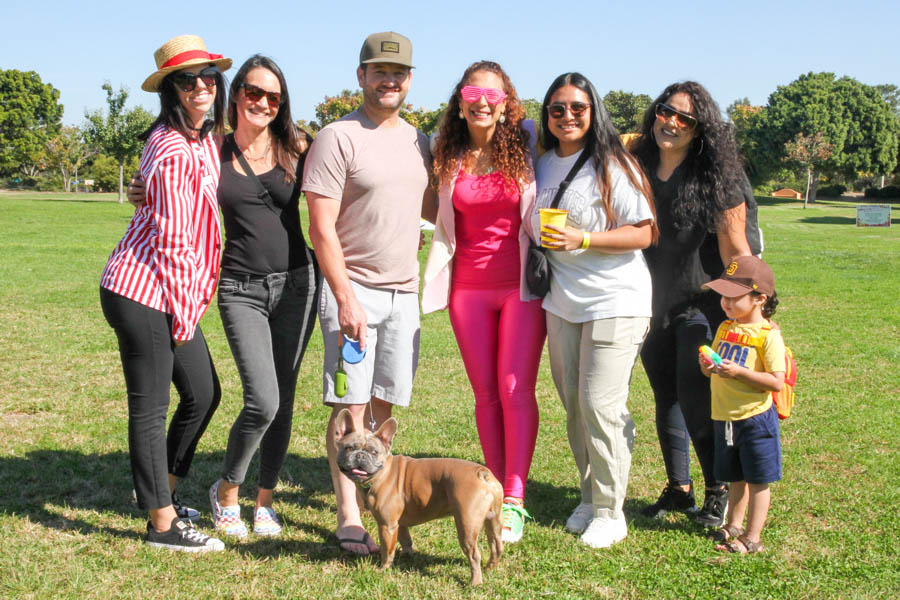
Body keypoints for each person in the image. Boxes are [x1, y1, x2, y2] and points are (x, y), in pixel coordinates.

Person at [302, 32, 434, 556]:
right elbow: (321, 227)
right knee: (350, 408)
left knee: (383, 406)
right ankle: (349, 515)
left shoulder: (419, 142)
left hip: (404, 293)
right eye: (379, 71)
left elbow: (428, 207)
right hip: (352, 290)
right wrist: (345, 299)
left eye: (399, 73)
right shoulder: (337, 137)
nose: (389, 80)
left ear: (410, 80)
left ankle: (379, 497)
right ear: (361, 75)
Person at [99, 34, 230, 552]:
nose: (201, 86)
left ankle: (162, 493)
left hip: (168, 292)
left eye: (208, 77)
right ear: (169, 89)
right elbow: (174, 242)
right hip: (145, 290)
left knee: (203, 393)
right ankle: (162, 524)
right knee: (151, 407)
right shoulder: (174, 147)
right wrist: (185, 312)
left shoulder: (199, 137)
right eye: (186, 80)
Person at [422, 61, 545, 544]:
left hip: (520, 287)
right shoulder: (445, 150)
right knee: (485, 394)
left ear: (506, 103)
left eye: (493, 95)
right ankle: (493, 486)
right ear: (460, 100)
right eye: (473, 94)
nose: (482, 103)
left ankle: (514, 498)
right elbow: (429, 205)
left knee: (515, 389)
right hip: (467, 291)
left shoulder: (528, 141)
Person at [535, 73, 658, 548]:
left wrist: (583, 238)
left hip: (616, 299)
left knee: (600, 405)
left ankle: (611, 511)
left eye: (577, 108)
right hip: (562, 301)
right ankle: (589, 496)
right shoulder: (544, 163)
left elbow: (644, 231)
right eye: (557, 108)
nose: (567, 116)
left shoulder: (612, 164)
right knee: (574, 404)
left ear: (593, 112)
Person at [630, 82, 752, 528]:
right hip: (649, 302)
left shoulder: (718, 177)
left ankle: (717, 489)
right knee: (665, 395)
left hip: (702, 303)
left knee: (694, 395)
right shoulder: (637, 164)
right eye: (667, 111)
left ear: (700, 129)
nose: (673, 123)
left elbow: (736, 248)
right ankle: (678, 489)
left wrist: (753, 301)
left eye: (686, 118)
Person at [206, 56, 318, 538]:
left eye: (274, 97)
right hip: (240, 289)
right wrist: (139, 188)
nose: (264, 103)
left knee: (284, 399)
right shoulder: (211, 149)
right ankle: (227, 490)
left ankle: (265, 500)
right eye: (254, 92)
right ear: (236, 94)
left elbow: (342, 194)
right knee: (262, 400)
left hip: (298, 284)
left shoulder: (298, 146)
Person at [699, 256, 784, 554]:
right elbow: (711, 372)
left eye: (734, 297)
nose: (726, 302)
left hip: (754, 418)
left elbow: (776, 382)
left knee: (758, 480)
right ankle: (734, 525)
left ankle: (752, 537)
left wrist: (739, 373)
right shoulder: (725, 327)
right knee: (735, 476)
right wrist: (708, 367)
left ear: (760, 298)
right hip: (725, 417)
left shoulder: (767, 336)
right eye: (723, 295)